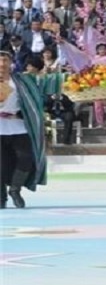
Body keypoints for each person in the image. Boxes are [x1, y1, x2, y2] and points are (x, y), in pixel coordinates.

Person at [0, 49, 48, 209]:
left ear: (11, 62)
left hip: (19, 126)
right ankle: (1, 197)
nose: (2, 64)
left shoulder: (22, 80)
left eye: (5, 60)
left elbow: (44, 86)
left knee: (25, 158)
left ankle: (15, 189)